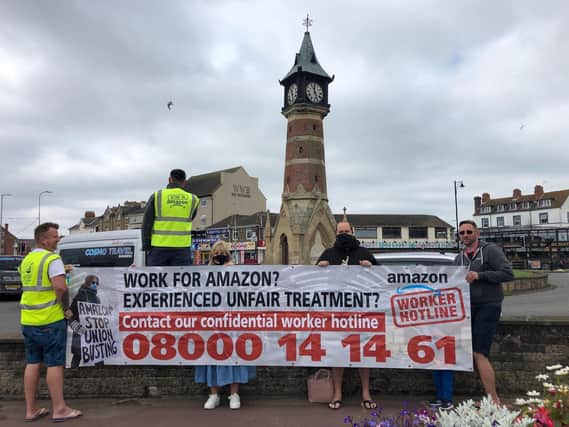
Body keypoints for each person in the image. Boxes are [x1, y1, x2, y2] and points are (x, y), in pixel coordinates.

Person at [19, 223, 82, 422]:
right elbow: (60, 288)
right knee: (55, 363)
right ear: (43, 239)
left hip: (28, 320)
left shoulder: (28, 259)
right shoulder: (52, 259)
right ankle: (60, 409)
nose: (58, 239)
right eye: (55, 236)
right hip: (50, 320)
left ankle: (31, 410)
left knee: (32, 362)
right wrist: (65, 309)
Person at [317, 221, 378, 410]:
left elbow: (383, 278)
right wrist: (319, 266)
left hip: (361, 313)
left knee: (364, 353)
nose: (344, 234)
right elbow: (313, 281)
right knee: (337, 353)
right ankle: (337, 393)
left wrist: (372, 267)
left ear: (353, 232)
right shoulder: (328, 253)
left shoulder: (364, 253)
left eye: (346, 231)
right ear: (335, 234)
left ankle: (366, 393)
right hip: (336, 314)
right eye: (340, 231)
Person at [456, 219, 514, 405]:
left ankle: (494, 400)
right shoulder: (459, 257)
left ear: (477, 233)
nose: (465, 235)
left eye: (469, 232)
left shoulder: (490, 250)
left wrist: (480, 275)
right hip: (468, 308)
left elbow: (507, 273)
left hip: (488, 306)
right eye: (462, 233)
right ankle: (489, 398)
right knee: (474, 353)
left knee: (480, 353)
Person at [194, 240, 256, 410]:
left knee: (234, 355)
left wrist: (231, 268)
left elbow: (245, 291)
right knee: (211, 356)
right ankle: (213, 394)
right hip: (212, 322)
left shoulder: (236, 271)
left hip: (232, 321)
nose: (218, 256)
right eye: (215, 254)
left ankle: (234, 394)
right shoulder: (206, 274)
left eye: (222, 253)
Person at [141, 168, 200, 266]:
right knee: (181, 280)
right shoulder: (193, 199)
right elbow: (191, 217)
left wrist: (146, 246)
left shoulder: (157, 196)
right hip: (182, 249)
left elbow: (147, 224)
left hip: (159, 248)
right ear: (184, 182)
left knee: (157, 280)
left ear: (169, 179)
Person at [67, 274, 101, 368]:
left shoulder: (96, 298)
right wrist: (76, 326)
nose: (95, 285)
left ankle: (101, 374)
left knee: (98, 352)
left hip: (93, 330)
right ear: (88, 282)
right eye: (93, 282)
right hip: (80, 329)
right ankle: (73, 375)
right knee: (78, 354)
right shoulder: (80, 296)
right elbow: (71, 313)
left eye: (96, 283)